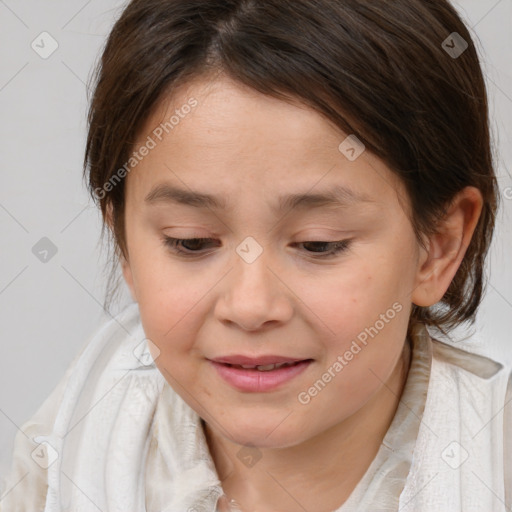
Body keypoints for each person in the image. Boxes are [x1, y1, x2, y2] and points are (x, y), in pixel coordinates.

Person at [1, 0, 511, 511]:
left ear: (438, 247)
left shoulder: (492, 467)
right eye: (190, 242)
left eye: (318, 244)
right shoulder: (76, 442)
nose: (249, 306)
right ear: (125, 246)